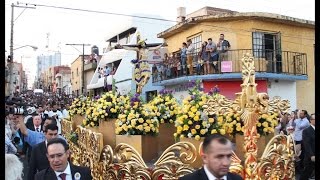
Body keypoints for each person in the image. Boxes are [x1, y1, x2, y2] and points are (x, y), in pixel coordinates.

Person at [300, 113, 315, 180]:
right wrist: (311, 155)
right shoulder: (306, 131)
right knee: (306, 174)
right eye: (314, 119)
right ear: (310, 120)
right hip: (310, 157)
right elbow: (307, 144)